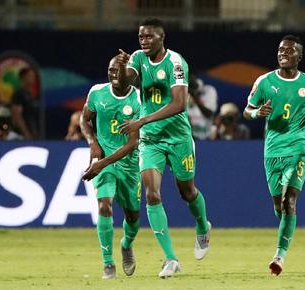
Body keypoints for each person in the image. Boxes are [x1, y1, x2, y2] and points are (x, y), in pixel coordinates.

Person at [116, 17, 211, 278]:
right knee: (152, 194)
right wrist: (124, 69)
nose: (144, 42)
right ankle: (171, 259)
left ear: (162, 38)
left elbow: (179, 103)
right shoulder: (136, 58)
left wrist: (143, 119)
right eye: (141, 37)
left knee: (187, 191)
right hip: (150, 140)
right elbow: (125, 85)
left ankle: (203, 226)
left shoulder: (176, 63)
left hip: (178, 137)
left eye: (149, 37)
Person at [243, 35, 305, 276]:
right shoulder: (264, 82)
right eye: (280, 50)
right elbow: (247, 110)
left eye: (289, 51)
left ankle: (279, 255)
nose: (283, 53)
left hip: (298, 145)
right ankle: (287, 226)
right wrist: (258, 113)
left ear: (299, 56)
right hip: (272, 150)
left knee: (289, 200)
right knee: (280, 207)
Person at [80, 56, 142, 279]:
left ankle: (126, 244)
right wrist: (93, 143)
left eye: (118, 70)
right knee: (104, 206)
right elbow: (84, 119)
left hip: (129, 164)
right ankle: (108, 264)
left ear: (128, 74)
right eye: (110, 70)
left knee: (133, 218)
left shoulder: (137, 99)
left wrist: (101, 163)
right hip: (105, 161)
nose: (113, 74)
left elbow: (132, 142)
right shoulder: (97, 92)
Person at [11, 67, 40, 140]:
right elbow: (17, 116)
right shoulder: (19, 94)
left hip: (33, 134)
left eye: (33, 76)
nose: (33, 78)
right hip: (22, 137)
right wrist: (26, 134)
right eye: (30, 76)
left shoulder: (30, 95)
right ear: (23, 77)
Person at [187, 72, 218, 140]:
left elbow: (209, 114)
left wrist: (194, 96)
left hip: (208, 137)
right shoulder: (182, 94)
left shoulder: (209, 90)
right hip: (192, 138)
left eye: (193, 82)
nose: (192, 86)